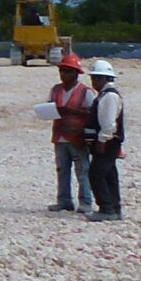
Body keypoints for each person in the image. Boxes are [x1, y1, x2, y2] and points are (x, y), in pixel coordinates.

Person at [47, 51, 94, 213]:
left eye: (67, 71)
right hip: (60, 137)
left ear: (76, 73)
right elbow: (49, 107)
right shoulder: (55, 90)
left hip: (77, 137)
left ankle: (86, 202)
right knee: (62, 171)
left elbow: (93, 114)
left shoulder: (86, 92)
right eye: (61, 71)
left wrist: (72, 111)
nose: (63, 74)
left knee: (83, 171)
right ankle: (64, 201)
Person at [86, 59, 125, 222]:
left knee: (96, 173)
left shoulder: (109, 97)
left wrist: (102, 141)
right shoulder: (105, 95)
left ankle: (106, 208)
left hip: (107, 142)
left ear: (104, 79)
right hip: (108, 141)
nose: (93, 82)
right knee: (109, 174)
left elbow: (109, 123)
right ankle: (115, 208)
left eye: (95, 78)